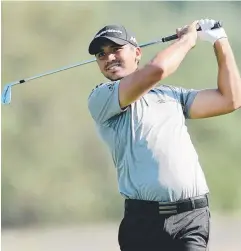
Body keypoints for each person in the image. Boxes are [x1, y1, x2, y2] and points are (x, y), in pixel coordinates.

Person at [87, 19, 241, 251]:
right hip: (142, 223)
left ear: (137, 53)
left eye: (116, 49)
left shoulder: (171, 95)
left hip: (191, 218)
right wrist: (187, 41)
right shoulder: (101, 98)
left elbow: (230, 99)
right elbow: (157, 70)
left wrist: (219, 40)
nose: (109, 58)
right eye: (101, 54)